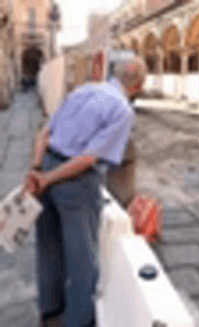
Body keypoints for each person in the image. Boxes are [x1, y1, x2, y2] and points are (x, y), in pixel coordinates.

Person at [24, 56, 147, 327]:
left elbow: (44, 133)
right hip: (74, 183)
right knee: (82, 258)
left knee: (48, 248)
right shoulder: (123, 111)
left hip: (46, 164)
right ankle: (77, 321)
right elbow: (87, 159)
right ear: (138, 86)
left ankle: (50, 311)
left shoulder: (84, 89)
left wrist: (37, 170)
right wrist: (48, 179)